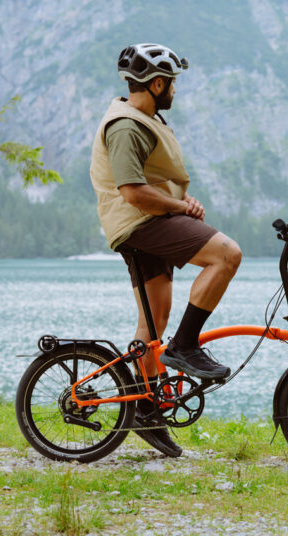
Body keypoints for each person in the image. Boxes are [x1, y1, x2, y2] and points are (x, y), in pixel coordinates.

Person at [89, 43, 242, 457]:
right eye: (172, 83)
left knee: (152, 324)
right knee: (227, 255)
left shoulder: (143, 118)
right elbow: (133, 192)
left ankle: (144, 409)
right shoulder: (126, 126)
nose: (175, 90)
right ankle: (186, 345)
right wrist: (182, 207)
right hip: (142, 223)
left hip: (141, 225)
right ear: (157, 84)